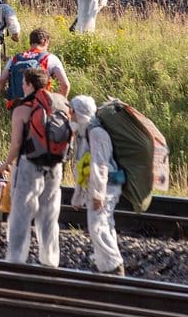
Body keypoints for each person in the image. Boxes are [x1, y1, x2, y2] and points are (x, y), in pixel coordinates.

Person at [0, 67, 63, 267]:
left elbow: (17, 143)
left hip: (29, 164)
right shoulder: (60, 103)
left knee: (21, 213)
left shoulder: (22, 107)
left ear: (27, 84)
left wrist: (5, 164)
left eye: (23, 83)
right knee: (49, 215)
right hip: (55, 165)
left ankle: (16, 259)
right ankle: (50, 260)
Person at [69, 95, 125, 275]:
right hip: (99, 187)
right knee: (101, 225)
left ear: (80, 113)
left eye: (72, 111)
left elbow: (100, 166)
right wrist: (78, 196)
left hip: (106, 187)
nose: (70, 115)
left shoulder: (96, 133)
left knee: (98, 226)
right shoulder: (84, 133)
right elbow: (83, 167)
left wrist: (98, 195)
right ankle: (106, 266)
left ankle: (114, 267)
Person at [0, 27, 69, 108]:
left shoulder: (15, 58)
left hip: (17, 106)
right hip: (40, 106)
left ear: (31, 42)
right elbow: (65, 85)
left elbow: (1, 81)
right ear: (45, 41)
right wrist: (59, 105)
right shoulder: (50, 58)